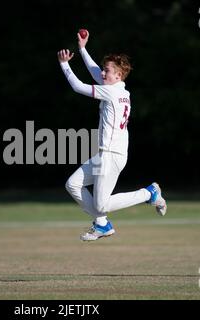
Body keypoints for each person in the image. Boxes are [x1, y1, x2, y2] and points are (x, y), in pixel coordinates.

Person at [57, 30, 167, 241]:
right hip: (105, 155)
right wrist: (82, 49)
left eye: (107, 71)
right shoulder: (120, 90)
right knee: (73, 184)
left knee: (101, 204)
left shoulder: (112, 92)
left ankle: (149, 193)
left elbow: (77, 86)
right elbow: (95, 71)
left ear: (118, 75)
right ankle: (102, 223)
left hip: (111, 155)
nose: (103, 74)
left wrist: (64, 64)